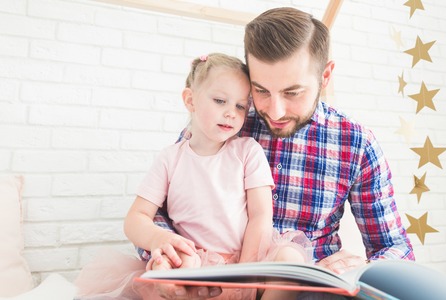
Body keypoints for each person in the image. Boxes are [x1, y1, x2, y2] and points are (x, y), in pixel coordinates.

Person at [141, 6, 415, 300]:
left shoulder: (356, 143)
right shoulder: (224, 122)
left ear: (325, 76)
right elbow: (157, 214)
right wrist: (169, 254)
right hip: (213, 280)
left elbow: (395, 248)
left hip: (307, 290)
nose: (275, 111)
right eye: (260, 91)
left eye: (292, 92)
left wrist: (365, 267)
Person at [76, 53, 311, 300]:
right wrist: (159, 238)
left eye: (240, 106)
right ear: (190, 100)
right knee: (168, 266)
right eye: (220, 101)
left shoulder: (247, 151)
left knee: (290, 260)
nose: (231, 112)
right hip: (199, 261)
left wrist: (246, 273)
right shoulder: (170, 159)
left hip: (250, 257)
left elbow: (261, 215)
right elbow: (136, 217)